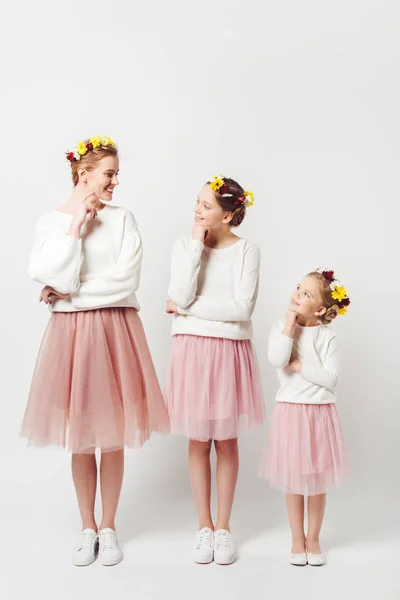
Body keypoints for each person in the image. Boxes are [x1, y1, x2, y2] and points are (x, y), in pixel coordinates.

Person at [21, 136, 169, 566]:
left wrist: (67, 294)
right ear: (84, 174)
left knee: (112, 435)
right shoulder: (50, 223)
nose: (115, 182)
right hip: (71, 339)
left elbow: (127, 283)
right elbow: (45, 271)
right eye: (109, 174)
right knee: (82, 437)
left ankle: (109, 525)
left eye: (117, 174)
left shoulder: (124, 219)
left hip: (116, 333)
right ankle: (88, 527)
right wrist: (74, 230)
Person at [165, 175, 264, 565]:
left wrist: (186, 309)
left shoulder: (247, 251)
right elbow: (183, 289)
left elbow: (241, 310)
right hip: (192, 349)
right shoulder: (184, 246)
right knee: (198, 439)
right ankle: (203, 526)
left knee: (225, 440)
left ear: (228, 215)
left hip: (228, 353)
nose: (197, 210)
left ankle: (224, 527)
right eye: (197, 202)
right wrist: (194, 247)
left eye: (206, 206)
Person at [259, 269, 349, 566]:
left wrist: (300, 368)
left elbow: (331, 378)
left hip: (320, 414)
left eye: (306, 294)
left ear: (321, 309)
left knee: (317, 482)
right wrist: (288, 326)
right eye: (298, 288)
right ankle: (297, 538)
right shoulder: (281, 329)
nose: (297, 294)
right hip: (291, 412)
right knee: (295, 482)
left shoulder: (326, 337)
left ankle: (314, 538)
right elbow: (277, 358)